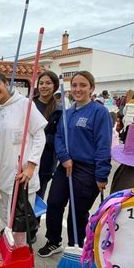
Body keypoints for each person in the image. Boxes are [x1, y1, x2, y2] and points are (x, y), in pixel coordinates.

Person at [38, 71, 112, 257]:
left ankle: (76, 246)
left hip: (88, 169)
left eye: (83, 85)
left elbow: (104, 144)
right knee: (54, 203)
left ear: (92, 88)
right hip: (65, 166)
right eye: (75, 85)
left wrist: (102, 174)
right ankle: (54, 241)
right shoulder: (67, 113)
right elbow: (59, 137)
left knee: (77, 211)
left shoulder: (99, 112)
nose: (78, 89)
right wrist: (63, 157)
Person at [0, 71, 47, 268]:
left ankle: (21, 267)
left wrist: (31, 166)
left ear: (6, 84)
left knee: (20, 224)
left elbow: (40, 136)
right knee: (6, 220)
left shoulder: (25, 104)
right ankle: (12, 253)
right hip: (3, 176)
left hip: (23, 178)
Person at [33, 71, 62, 200]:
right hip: (25, 158)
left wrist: (40, 137)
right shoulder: (28, 104)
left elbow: (59, 138)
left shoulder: (59, 110)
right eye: (41, 83)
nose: (44, 86)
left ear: (55, 86)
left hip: (45, 160)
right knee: (19, 200)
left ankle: (35, 221)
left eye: (48, 83)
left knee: (37, 199)